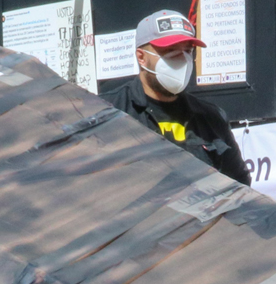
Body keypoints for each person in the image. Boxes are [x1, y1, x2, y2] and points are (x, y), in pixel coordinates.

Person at [101, 10, 251, 185]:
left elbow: (239, 185)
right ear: (141, 57)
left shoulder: (211, 117)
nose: (182, 60)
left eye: (187, 51)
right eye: (170, 51)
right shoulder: (108, 111)